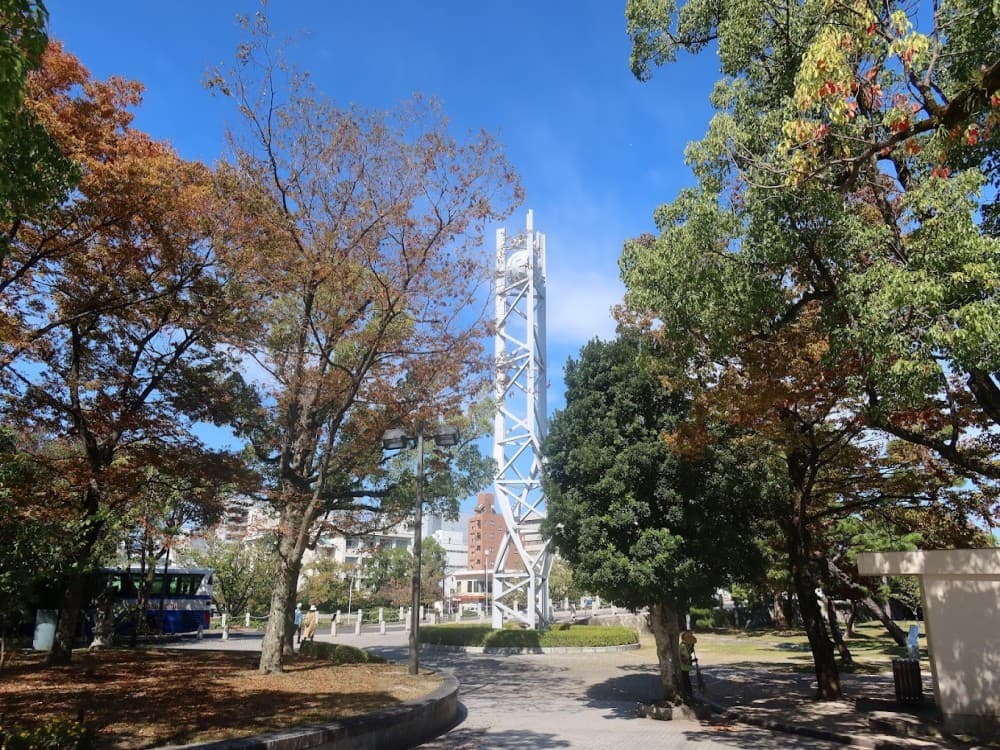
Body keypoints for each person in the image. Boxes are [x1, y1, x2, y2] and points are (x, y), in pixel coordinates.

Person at [679, 630, 698, 699]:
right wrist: (691, 661)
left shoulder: (686, 646)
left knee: (687, 682)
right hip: (682, 668)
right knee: (686, 683)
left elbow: (689, 653)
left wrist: (692, 647)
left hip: (685, 668)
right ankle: (688, 696)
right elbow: (683, 659)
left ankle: (688, 695)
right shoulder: (683, 647)